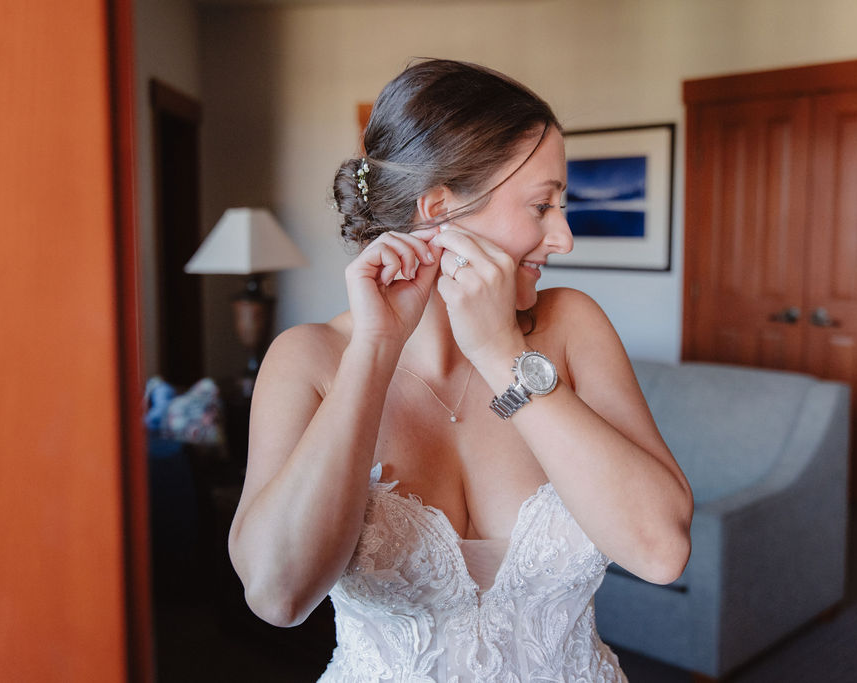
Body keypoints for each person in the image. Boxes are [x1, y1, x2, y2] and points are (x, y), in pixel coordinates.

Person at [228, 58, 693, 682]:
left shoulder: (572, 326)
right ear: (440, 210)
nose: (564, 237)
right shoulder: (307, 359)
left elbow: (662, 551)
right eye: (542, 206)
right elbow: (278, 596)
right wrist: (374, 349)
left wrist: (503, 354)